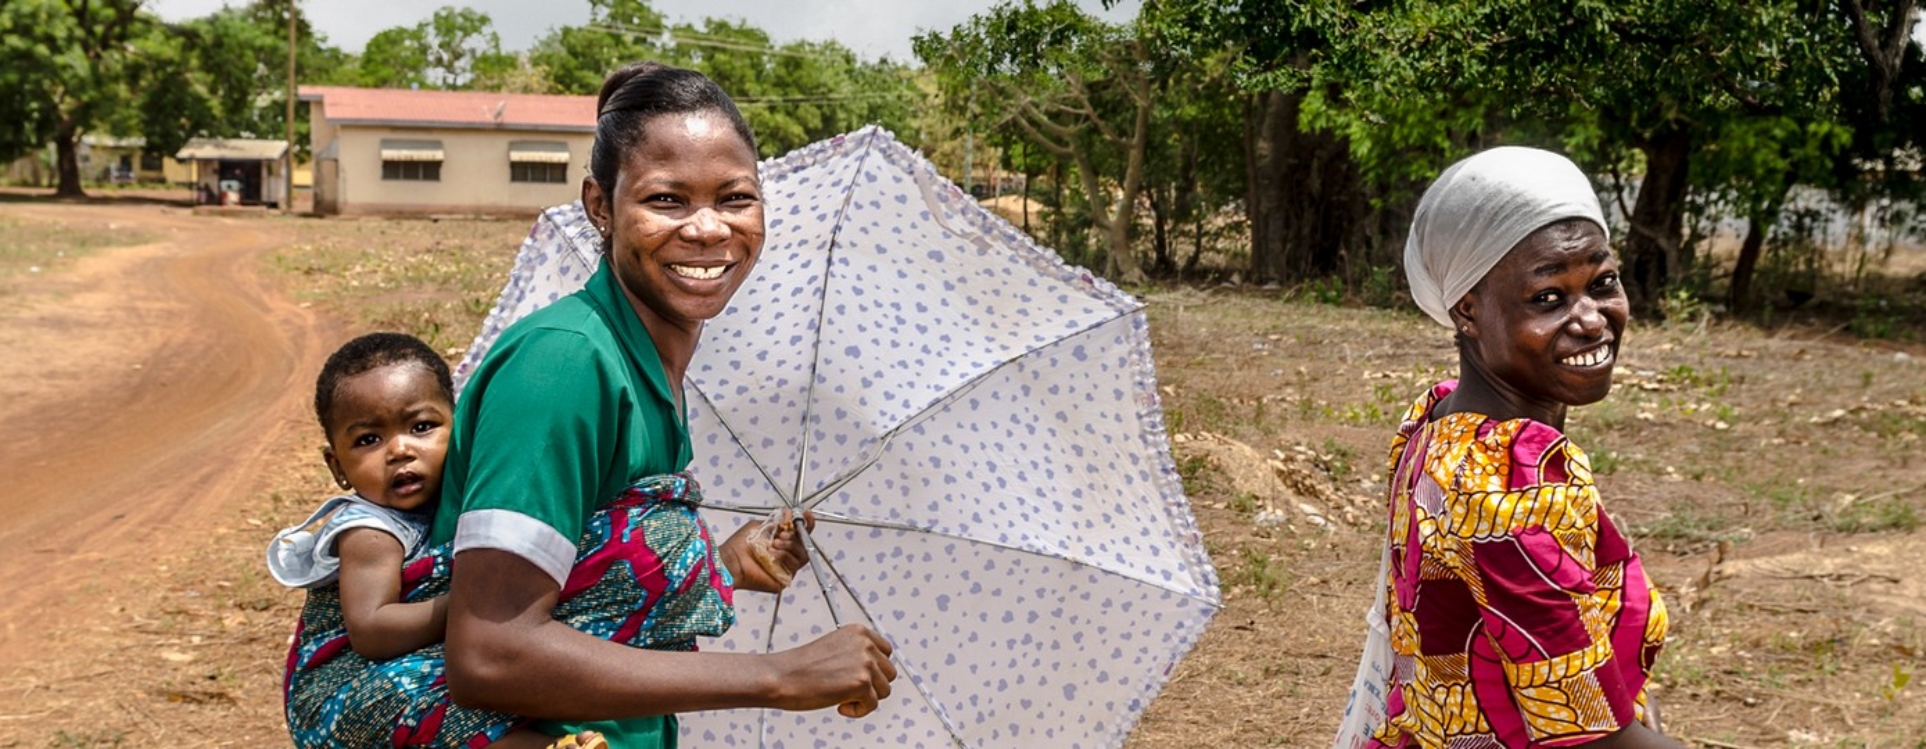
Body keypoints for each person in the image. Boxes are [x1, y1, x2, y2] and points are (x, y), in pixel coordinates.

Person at [426, 61, 896, 747]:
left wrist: (722, 567)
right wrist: (775, 676)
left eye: (735, 198)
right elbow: (490, 651)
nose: (708, 230)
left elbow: (585, 580)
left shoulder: (644, 365)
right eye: (667, 200)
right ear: (599, 205)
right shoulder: (564, 365)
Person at [1354, 147, 1679, 748]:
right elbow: (1592, 739)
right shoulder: (1508, 487)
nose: (1592, 319)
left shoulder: (1439, 416)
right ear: (1468, 312)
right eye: (1548, 298)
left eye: (1602, 282)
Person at [269, 332, 606, 749]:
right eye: (368, 440)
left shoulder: (466, 496)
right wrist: (475, 601)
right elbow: (373, 630)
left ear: (459, 427)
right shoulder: (368, 531)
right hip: (343, 695)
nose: (400, 449)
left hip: (400, 667)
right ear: (338, 467)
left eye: (422, 426)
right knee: (447, 699)